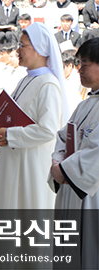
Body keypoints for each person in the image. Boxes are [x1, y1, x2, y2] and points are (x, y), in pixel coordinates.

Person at [0, 22, 68, 210]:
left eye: (23, 46)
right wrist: (0, 133)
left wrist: (9, 134)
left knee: (26, 214)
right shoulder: (27, 79)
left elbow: (48, 130)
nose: (18, 50)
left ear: (40, 49)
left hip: (30, 164)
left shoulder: (48, 84)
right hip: (12, 157)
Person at [49, 39, 99, 269]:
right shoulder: (85, 103)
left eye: (85, 64)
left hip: (89, 193)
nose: (79, 69)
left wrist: (65, 169)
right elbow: (64, 136)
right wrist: (57, 163)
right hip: (70, 185)